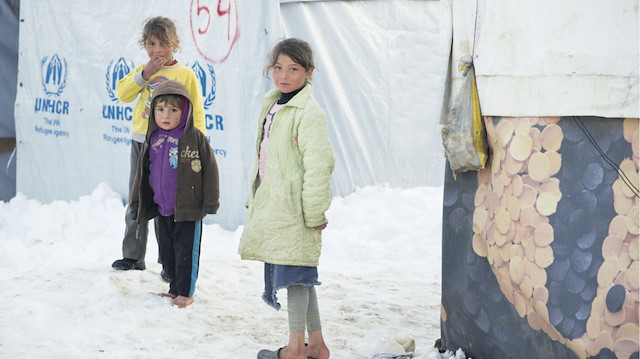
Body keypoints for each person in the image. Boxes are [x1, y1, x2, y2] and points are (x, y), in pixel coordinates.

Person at [238, 38, 334, 359]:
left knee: (295, 276)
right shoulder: (273, 104)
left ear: (308, 72)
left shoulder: (309, 113)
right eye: (278, 68)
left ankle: (295, 349)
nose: (284, 75)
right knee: (301, 275)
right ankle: (317, 346)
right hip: (277, 205)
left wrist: (314, 212)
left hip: (296, 210)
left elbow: (319, 166)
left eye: (293, 69)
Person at [112, 16, 206, 274]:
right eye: (151, 43)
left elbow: (196, 110)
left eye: (163, 43)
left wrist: (197, 143)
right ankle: (132, 256)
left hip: (172, 147)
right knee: (138, 198)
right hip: (142, 141)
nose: (157, 50)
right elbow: (122, 94)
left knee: (168, 201)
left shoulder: (185, 75)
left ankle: (169, 262)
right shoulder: (144, 71)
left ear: (174, 44)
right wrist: (145, 75)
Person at [129, 80, 219, 308]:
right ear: (152, 112)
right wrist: (138, 201)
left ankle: (186, 292)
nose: (166, 115)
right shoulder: (154, 138)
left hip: (188, 209)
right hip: (162, 208)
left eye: (173, 110)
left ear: (185, 111)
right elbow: (142, 173)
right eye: (160, 110)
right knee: (168, 252)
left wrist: (210, 202)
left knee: (186, 252)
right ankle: (174, 289)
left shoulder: (194, 138)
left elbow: (210, 170)